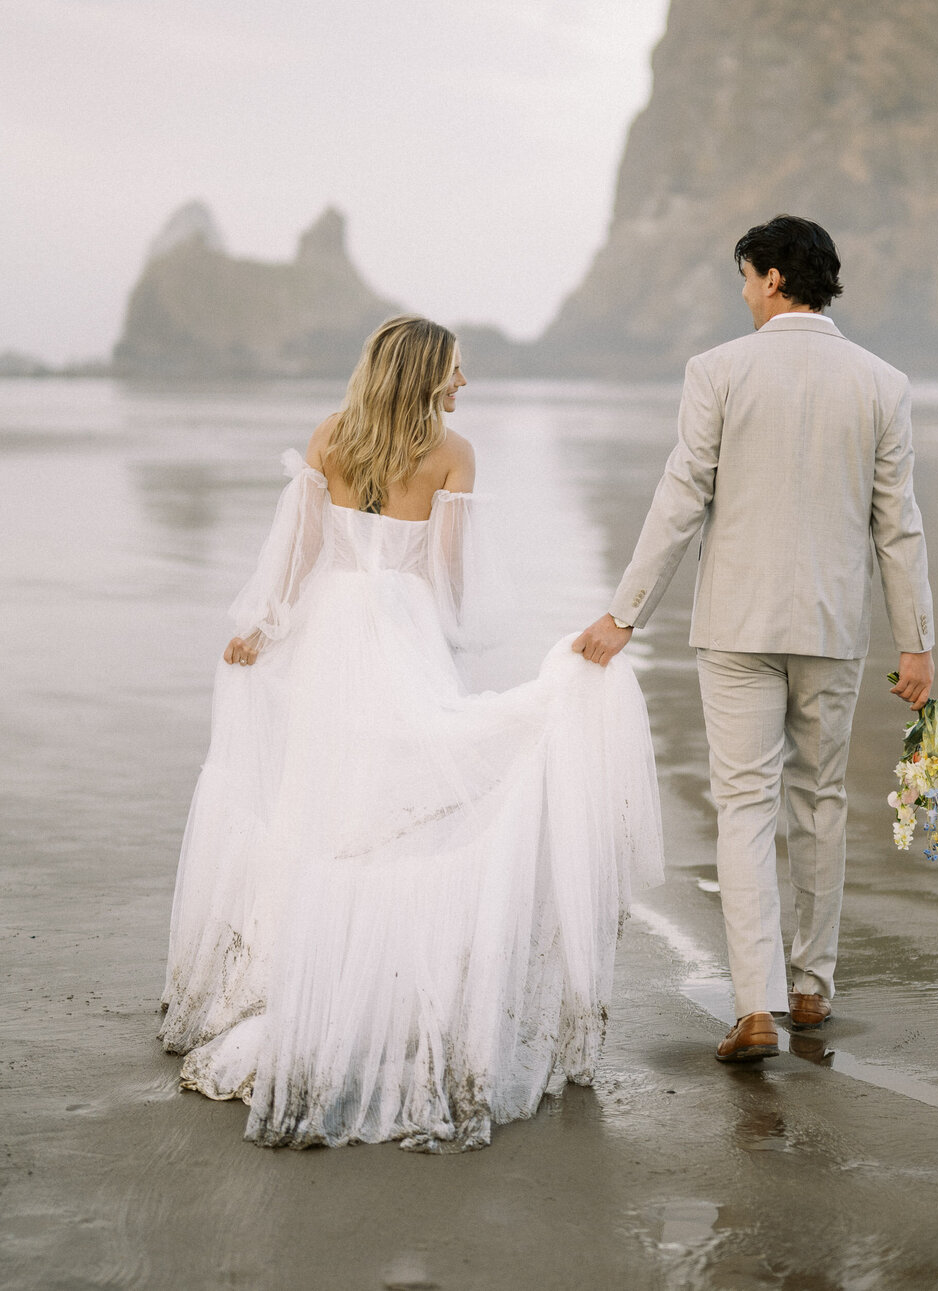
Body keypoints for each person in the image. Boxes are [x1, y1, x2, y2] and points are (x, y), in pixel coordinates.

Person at [160, 315, 663, 1149]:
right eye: (457, 371)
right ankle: (380, 990)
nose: (464, 385)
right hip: (400, 630)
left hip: (326, 632)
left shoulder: (330, 436)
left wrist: (263, 628)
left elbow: (298, 554)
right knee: (406, 794)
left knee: (322, 799)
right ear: (427, 372)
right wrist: (440, 621)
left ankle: (293, 976)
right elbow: (450, 584)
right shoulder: (452, 453)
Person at [575, 216, 934, 1064]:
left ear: (773, 278)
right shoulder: (884, 382)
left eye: (745, 277)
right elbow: (900, 526)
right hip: (833, 624)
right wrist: (915, 640)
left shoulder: (720, 370)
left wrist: (625, 613)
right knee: (821, 799)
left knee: (743, 806)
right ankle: (811, 986)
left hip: (736, 625)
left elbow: (680, 497)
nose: (742, 293)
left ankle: (755, 1007)